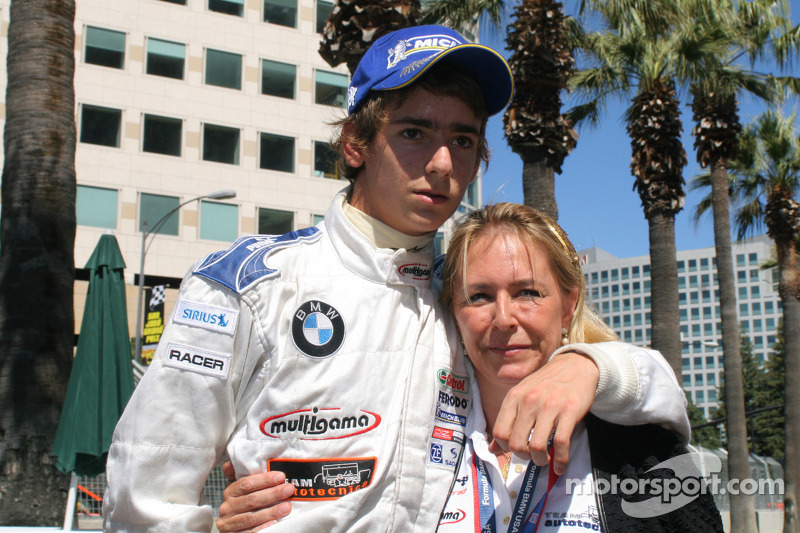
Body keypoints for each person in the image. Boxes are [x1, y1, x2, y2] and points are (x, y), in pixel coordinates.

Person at [104, 25, 687, 532]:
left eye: (463, 139)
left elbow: (655, 385)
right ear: (355, 143)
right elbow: (147, 489)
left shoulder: (466, 283)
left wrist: (584, 365)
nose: (441, 164)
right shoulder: (250, 280)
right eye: (414, 133)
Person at [217, 204, 718, 532]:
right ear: (453, 309)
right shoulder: (406, 436)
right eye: (479, 296)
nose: (504, 319)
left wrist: (588, 365)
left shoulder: (637, 450)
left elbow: (659, 385)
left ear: (568, 304)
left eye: (528, 293)